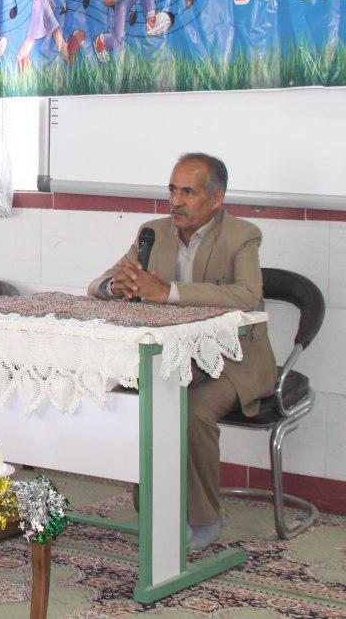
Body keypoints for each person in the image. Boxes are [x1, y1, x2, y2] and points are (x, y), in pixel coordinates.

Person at [88, 152, 275, 551]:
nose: (176, 202)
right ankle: (154, 505)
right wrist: (114, 287)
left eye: (188, 192)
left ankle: (204, 520)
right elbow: (99, 283)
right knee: (133, 398)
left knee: (190, 410)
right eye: (172, 190)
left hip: (231, 360)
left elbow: (248, 296)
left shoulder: (242, 235)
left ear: (216, 198)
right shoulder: (153, 232)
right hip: (173, 356)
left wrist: (168, 292)